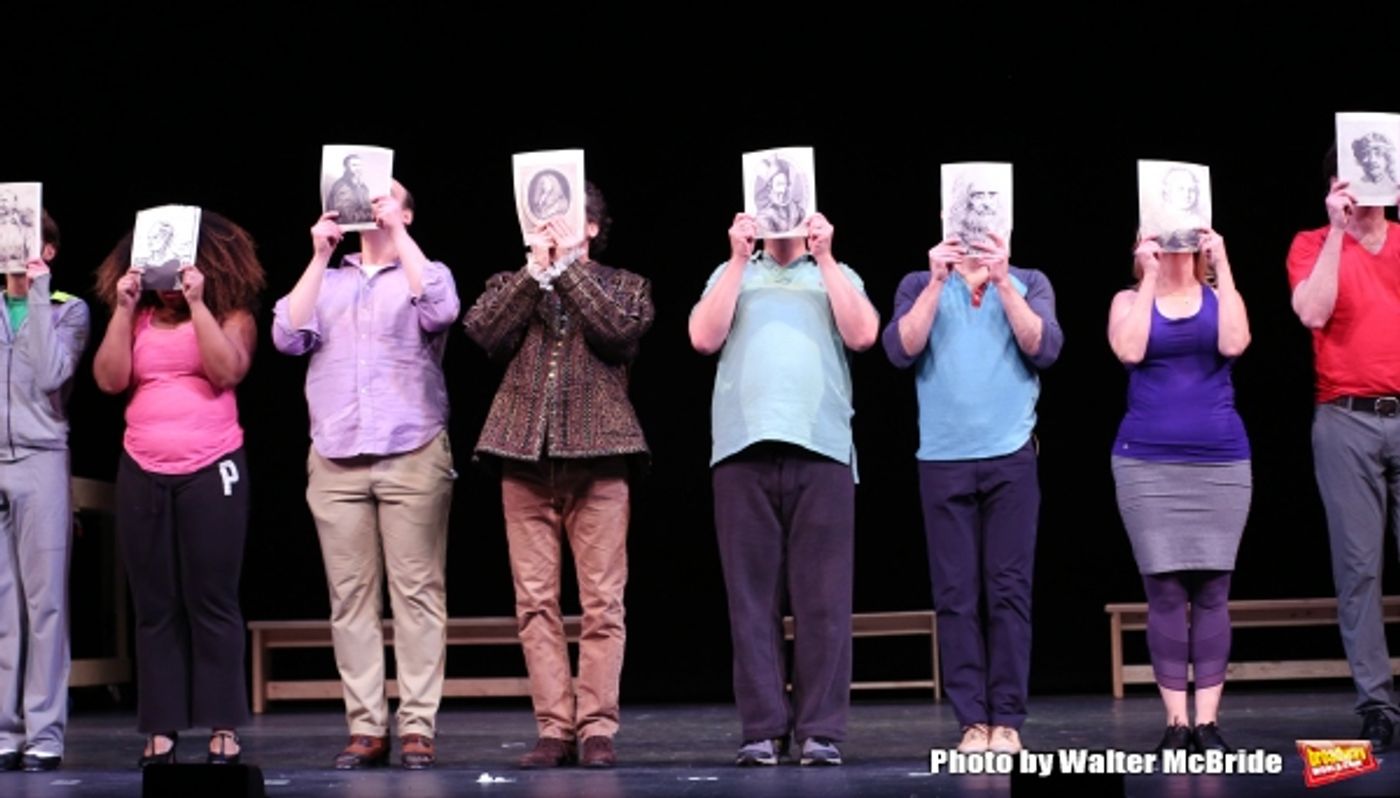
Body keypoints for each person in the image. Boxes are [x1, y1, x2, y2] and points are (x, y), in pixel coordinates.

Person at [463, 183, 652, 770]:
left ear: (592, 227)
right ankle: (554, 728)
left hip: (599, 462)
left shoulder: (625, 285)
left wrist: (568, 267)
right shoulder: (511, 283)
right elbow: (484, 331)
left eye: (565, 221)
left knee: (602, 603)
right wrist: (534, 272)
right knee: (536, 603)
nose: (550, 228)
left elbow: (618, 333)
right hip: (523, 461)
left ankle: (596, 727)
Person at [273, 181, 460, 770]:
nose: (375, 205)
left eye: (390, 199)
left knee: (417, 593)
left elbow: (442, 308)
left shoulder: (424, 270)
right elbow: (286, 334)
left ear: (406, 211)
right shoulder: (326, 279)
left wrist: (399, 236)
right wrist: (320, 253)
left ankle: (417, 727)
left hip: (411, 446)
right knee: (349, 597)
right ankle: (365, 726)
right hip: (335, 452)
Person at [689, 207, 879, 767]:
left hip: (820, 447)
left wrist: (825, 256)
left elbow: (864, 333)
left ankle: (820, 729)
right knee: (751, 601)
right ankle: (762, 728)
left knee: (823, 601)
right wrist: (734, 257)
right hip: (742, 449)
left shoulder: (832, 272)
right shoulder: (735, 274)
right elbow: (702, 337)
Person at [92, 210, 264, 768]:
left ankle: (223, 727)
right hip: (142, 466)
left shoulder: (232, 316)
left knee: (212, 599)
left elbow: (226, 372)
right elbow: (110, 379)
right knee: (154, 604)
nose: (167, 288)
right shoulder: (136, 319)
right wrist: (122, 307)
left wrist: (196, 304)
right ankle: (161, 729)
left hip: (212, 467)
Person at [882, 228, 1062, 757]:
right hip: (943, 459)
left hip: (1009, 457)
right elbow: (900, 349)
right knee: (955, 596)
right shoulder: (919, 282)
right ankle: (971, 722)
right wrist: (938, 281)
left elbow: (1046, 347)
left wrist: (1004, 283)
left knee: (1009, 591)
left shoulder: (1029, 281)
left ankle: (1006, 719)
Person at [1108, 229, 1251, 753]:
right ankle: (1175, 723)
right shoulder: (1127, 298)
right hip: (1146, 461)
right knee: (1165, 591)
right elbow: (1128, 349)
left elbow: (1234, 343)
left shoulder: (1220, 297)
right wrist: (1147, 277)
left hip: (1220, 460)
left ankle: (1208, 723)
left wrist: (1223, 261)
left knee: (1214, 589)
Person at [1287, 146, 1400, 751]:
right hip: (1345, 420)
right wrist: (1337, 230)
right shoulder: (1311, 242)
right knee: (1359, 571)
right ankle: (1378, 706)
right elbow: (1312, 311)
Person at [0, 211, 89, 772]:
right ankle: (6, 730)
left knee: (45, 603)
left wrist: (32, 294)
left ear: (47, 251)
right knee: (2, 607)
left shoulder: (66, 308)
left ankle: (45, 730)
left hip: (40, 459)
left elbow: (53, 372)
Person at [755, 160, 805, 234]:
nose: (783, 188)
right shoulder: (764, 215)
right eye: (779, 184)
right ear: (771, 186)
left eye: (785, 183)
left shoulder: (796, 210)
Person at [327, 154, 372, 225]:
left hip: (361, 228)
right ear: (345, 168)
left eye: (360, 165)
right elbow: (349, 218)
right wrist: (372, 215)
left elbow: (367, 208)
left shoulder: (363, 187)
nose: (358, 168)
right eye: (354, 165)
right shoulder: (342, 187)